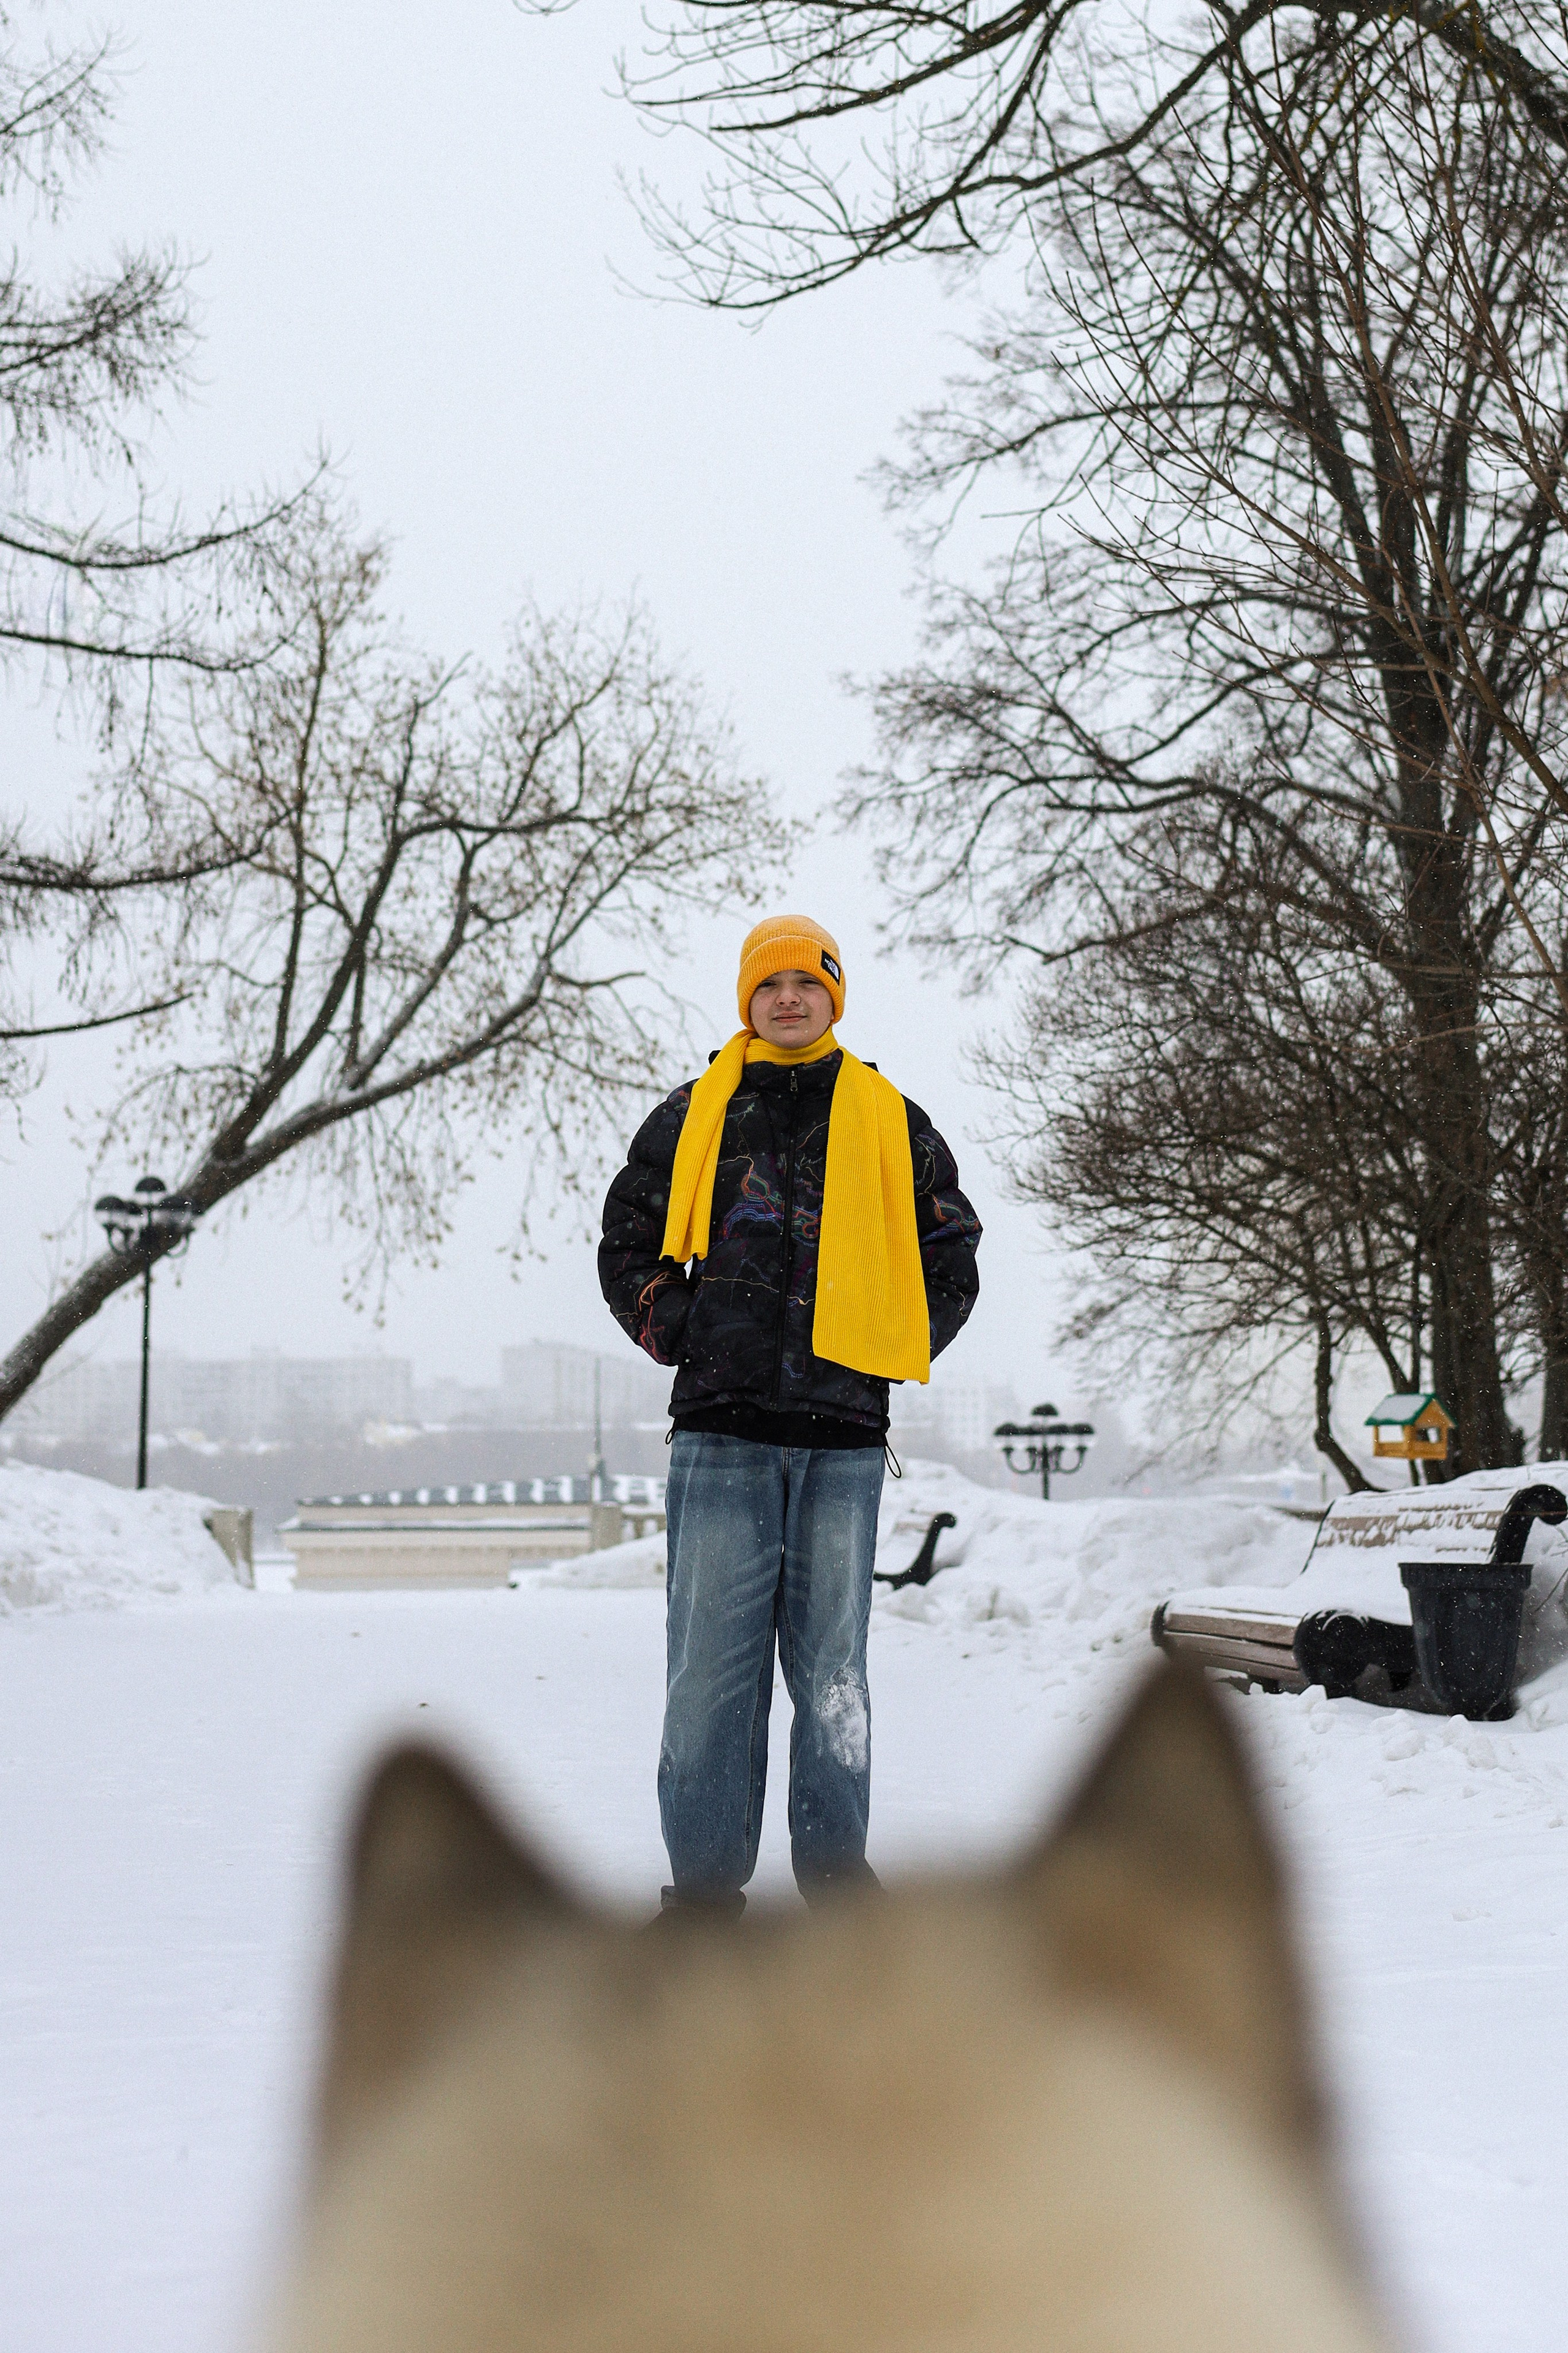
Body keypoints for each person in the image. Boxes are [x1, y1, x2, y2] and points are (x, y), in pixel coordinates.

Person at [599, 913, 981, 1913]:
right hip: (721, 1435)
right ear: (747, 1000)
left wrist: (887, 1347)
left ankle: (838, 1888)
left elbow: (952, 1249)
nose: (788, 999)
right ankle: (706, 1896)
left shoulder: (892, 1119)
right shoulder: (695, 1115)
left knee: (833, 1678)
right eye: (769, 986)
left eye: (806, 983)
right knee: (709, 1683)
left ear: (833, 996)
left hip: (842, 1445)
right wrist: (680, 1327)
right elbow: (627, 1239)